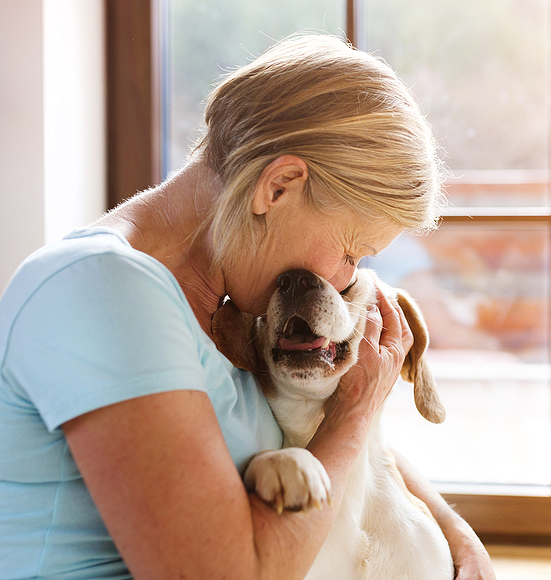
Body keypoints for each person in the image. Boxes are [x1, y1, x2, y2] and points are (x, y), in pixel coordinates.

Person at [0, 34, 495, 579]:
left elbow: (324, 439)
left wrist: (455, 533)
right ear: (278, 187)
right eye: (351, 252)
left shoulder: (234, 309)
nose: (344, 281)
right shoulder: (104, 289)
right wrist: (354, 415)